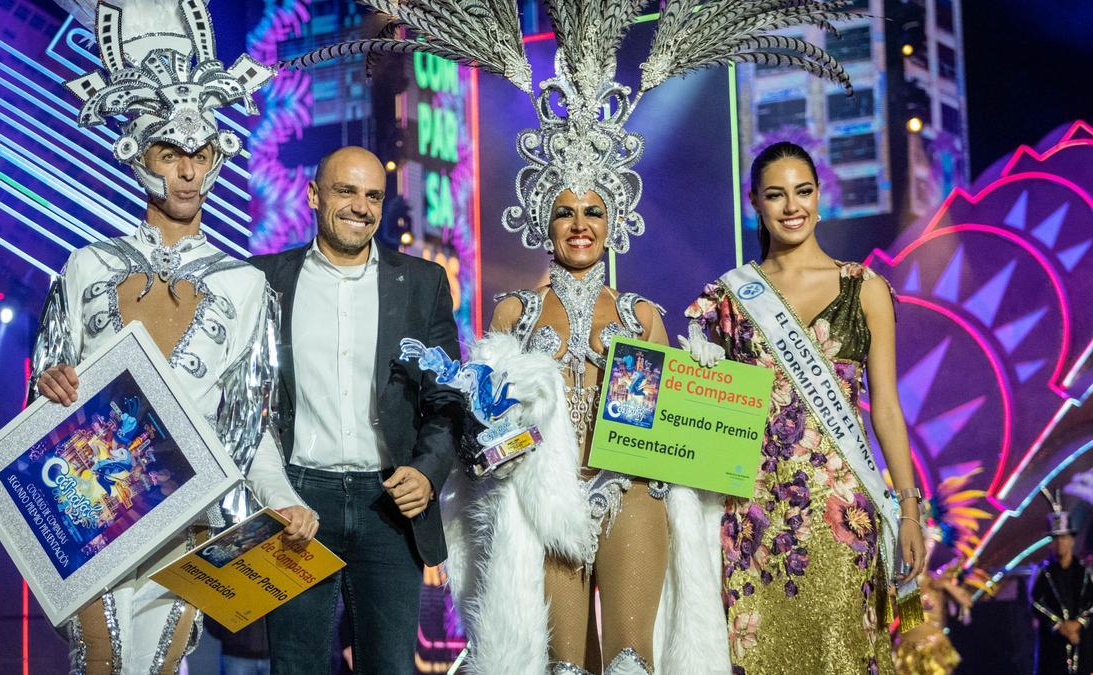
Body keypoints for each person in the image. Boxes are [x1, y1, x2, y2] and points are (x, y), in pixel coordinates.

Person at [286, 2, 864, 673]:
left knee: (626, 661)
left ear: (614, 220)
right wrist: (493, 428)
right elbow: (479, 441)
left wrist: (714, 408)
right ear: (542, 220)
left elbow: (681, 438)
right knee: (559, 664)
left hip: (630, 494)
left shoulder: (644, 315)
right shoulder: (512, 316)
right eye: (565, 211)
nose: (580, 224)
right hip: (546, 502)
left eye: (594, 211)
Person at [33, 2, 314, 672]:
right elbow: (44, 403)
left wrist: (285, 500)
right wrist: (50, 387)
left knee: (162, 664)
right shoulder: (85, 266)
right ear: (139, 154)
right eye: (171, 152)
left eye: (200, 153)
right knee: (99, 656)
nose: (188, 170)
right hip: (90, 510)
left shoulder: (245, 284)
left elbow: (250, 427)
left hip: (188, 517)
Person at [683, 141, 927, 673]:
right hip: (752, 520)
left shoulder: (864, 289)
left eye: (803, 191)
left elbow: (886, 408)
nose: (792, 206)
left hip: (844, 518)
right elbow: (704, 413)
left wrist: (908, 507)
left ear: (819, 197)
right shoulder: (728, 298)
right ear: (756, 203)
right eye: (776, 195)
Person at [249, 146, 464, 675]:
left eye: (373, 195)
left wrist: (428, 471)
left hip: (389, 502)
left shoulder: (422, 282)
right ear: (313, 195)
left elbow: (448, 399)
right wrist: (273, 492)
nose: (361, 207)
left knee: (390, 667)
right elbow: (242, 402)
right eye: (346, 191)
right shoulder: (261, 280)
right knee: (296, 667)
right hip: (297, 499)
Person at [1030, 488, 1093, 674]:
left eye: (1064, 538)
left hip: (1081, 643)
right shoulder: (1044, 573)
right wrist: (1060, 625)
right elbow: (1036, 603)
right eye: (1056, 538)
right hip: (1053, 647)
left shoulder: (1084, 573)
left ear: (1072, 540)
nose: (1060, 543)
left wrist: (1078, 623)